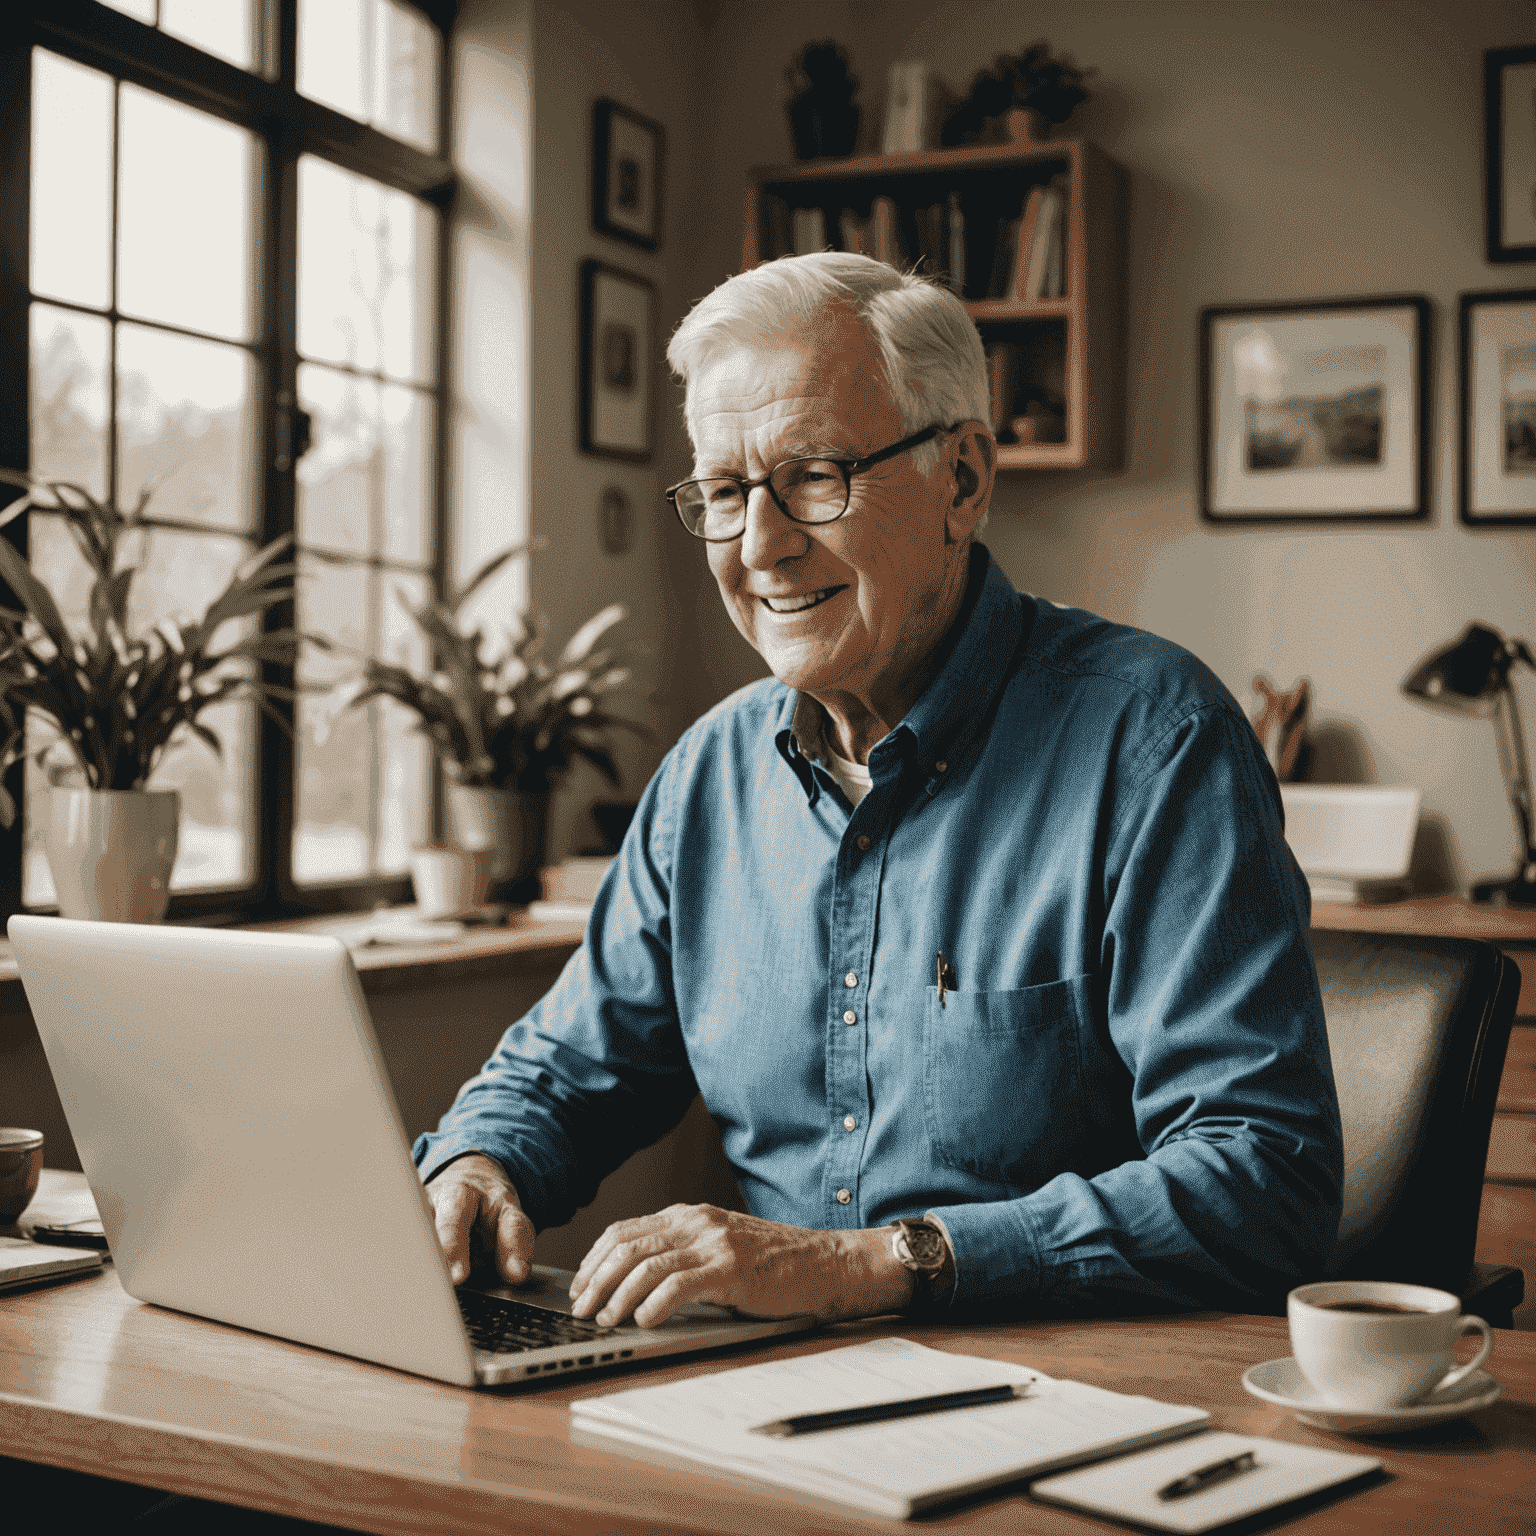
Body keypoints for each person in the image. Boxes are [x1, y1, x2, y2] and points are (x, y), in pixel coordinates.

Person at [418, 252, 1343, 1327]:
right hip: (761, 1400)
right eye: (724, 491)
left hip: (1085, 1399)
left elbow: (1265, 1178)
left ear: (963, 481)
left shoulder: (1157, 742)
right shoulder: (709, 779)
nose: (761, 545)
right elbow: (564, 1070)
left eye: (815, 474)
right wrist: (480, 1161)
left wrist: (872, 1264)